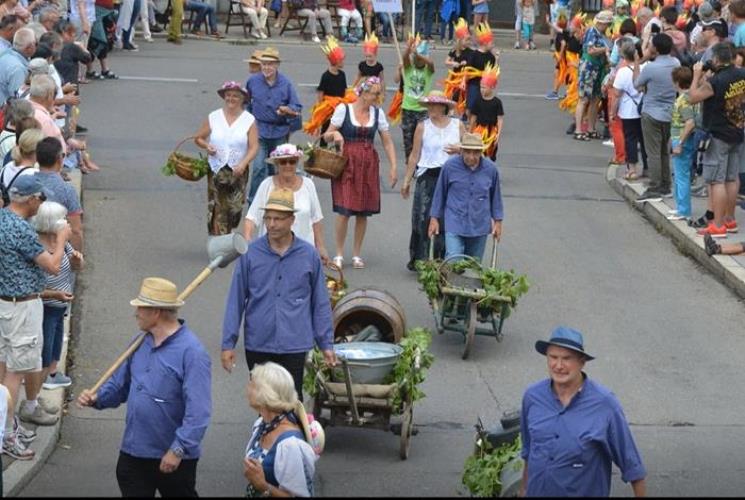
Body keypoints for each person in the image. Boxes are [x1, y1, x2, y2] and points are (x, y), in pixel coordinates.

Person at [77, 277, 212, 497]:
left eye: (140, 307)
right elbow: (119, 387)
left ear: (156, 312)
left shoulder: (193, 353)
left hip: (173, 457)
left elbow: (199, 412)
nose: (136, 312)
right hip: (134, 452)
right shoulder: (138, 342)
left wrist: (178, 449)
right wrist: (97, 398)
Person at [221, 187, 337, 399]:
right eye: (268, 218)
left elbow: (320, 302)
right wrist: (228, 344)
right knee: (263, 400)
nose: (271, 224)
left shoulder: (308, 255)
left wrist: (325, 343)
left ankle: (291, 433)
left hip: (295, 343)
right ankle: (266, 433)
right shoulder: (251, 254)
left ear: (292, 220)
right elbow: (235, 301)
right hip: (259, 342)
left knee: (292, 401)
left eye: (278, 219)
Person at [519, 326, 647, 497]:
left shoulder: (605, 404)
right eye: (553, 357)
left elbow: (632, 465)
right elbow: (529, 452)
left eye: (567, 358)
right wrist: (524, 490)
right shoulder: (533, 397)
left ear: (581, 362)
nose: (558, 365)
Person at [0, 175, 72, 460]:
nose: (41, 204)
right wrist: (63, 237)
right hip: (22, 308)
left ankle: (8, 426)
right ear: (30, 200)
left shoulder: (3, 219)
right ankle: (6, 434)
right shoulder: (21, 229)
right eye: (40, 199)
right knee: (16, 373)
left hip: (4, 304)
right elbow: (53, 267)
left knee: (5, 368)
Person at [322, 76, 398, 270]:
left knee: (363, 211)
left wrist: (394, 166)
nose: (378, 97)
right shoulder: (344, 110)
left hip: (368, 164)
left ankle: (356, 253)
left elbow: (387, 141)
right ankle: (339, 253)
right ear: (363, 93)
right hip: (346, 163)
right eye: (375, 93)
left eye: (378, 93)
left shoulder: (377, 114)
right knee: (345, 209)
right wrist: (336, 134)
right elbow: (326, 135)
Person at [688, 42, 745, 237]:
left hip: (718, 134)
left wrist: (696, 76)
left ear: (716, 59)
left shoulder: (716, 82)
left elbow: (692, 97)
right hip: (737, 132)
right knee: (731, 177)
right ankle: (729, 220)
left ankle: (718, 225)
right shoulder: (741, 75)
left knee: (716, 181)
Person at [401, 90, 463, 270]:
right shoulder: (423, 126)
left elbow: (471, 148)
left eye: (435, 104)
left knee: (447, 219)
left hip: (452, 177)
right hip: (428, 177)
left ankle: (444, 259)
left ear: (443, 106)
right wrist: (407, 180)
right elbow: (414, 155)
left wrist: (459, 149)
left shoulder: (457, 125)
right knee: (423, 219)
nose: (431, 108)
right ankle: (422, 260)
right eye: (429, 105)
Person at [243, 362, 319, 497]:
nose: (247, 388)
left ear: (265, 394)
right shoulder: (262, 424)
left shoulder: (290, 445)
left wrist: (263, 486)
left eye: (252, 385)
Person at [194, 81, 259, 236]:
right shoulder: (214, 117)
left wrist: (243, 164)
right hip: (217, 167)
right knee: (218, 205)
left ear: (242, 99)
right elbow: (198, 138)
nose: (231, 99)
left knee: (234, 209)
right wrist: (206, 146)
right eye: (228, 95)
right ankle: (219, 240)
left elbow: (254, 147)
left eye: (235, 96)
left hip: (238, 170)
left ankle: (227, 231)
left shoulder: (248, 120)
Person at [244, 143, 329, 263]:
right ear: (277, 164)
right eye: (283, 162)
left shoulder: (308, 184)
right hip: (271, 253)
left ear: (297, 163)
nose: (288, 165)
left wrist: (320, 247)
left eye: (292, 161)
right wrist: (248, 244)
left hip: (303, 253)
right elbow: (251, 218)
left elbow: (316, 219)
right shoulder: (267, 185)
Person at [428, 132, 503, 260]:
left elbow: (496, 198)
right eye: (467, 152)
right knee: (453, 259)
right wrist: (434, 218)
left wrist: (498, 221)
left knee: (473, 265)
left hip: (479, 225)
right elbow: (440, 193)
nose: (471, 157)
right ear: (461, 150)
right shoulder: (450, 167)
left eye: (475, 153)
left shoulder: (490, 170)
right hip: (455, 222)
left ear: (481, 152)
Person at [32, 201, 83, 390]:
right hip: (47, 305)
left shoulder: (63, 244)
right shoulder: (38, 247)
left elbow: (76, 267)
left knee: (56, 339)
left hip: (61, 305)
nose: (66, 223)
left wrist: (77, 260)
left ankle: (52, 373)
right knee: (45, 342)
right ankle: (42, 376)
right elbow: (37, 284)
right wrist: (55, 294)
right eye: (62, 219)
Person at [245, 48, 303, 206]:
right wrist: (249, 120)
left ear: (277, 65)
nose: (266, 68)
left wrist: (287, 110)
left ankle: (276, 200)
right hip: (259, 131)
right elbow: (246, 102)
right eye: (264, 64)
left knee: (275, 170)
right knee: (258, 167)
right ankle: (253, 202)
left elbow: (297, 106)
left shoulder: (286, 84)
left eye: (270, 64)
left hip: (279, 132)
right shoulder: (253, 81)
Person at [633, 33, 680, 201]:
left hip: (652, 111)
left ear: (656, 48)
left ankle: (655, 186)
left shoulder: (651, 68)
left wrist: (638, 62)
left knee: (652, 151)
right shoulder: (676, 63)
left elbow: (636, 84)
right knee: (664, 151)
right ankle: (665, 184)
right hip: (669, 112)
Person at [34, 137, 84, 251]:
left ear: (37, 158)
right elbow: (76, 230)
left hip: (29, 247)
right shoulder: (67, 190)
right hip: (55, 249)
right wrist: (77, 257)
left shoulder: (26, 184)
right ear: (60, 159)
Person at [611, 39, 647, 181]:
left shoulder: (622, 72)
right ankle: (647, 168)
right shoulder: (645, 68)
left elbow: (616, 95)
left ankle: (631, 169)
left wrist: (613, 112)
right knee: (644, 140)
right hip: (644, 108)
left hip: (628, 110)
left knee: (630, 139)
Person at [573, 10, 612, 141]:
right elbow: (590, 50)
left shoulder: (601, 34)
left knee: (595, 99)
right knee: (584, 99)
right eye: (607, 23)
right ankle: (578, 130)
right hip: (588, 68)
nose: (608, 26)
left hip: (598, 68)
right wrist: (605, 49)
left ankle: (591, 128)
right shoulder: (591, 31)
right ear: (602, 22)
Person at [668, 66, 697, 221]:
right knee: (679, 174)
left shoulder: (682, 101)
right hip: (682, 139)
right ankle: (680, 207)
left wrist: (679, 142)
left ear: (677, 82)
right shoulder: (690, 97)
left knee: (681, 175)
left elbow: (690, 122)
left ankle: (684, 210)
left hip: (681, 139)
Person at [401, 35, 434, 163]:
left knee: (422, 139)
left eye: (420, 58)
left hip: (422, 110)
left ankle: (421, 162)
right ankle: (410, 163)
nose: (417, 60)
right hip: (408, 109)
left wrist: (418, 54)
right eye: (415, 58)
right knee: (408, 139)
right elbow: (404, 58)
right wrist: (409, 48)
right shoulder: (409, 68)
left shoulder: (428, 70)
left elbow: (431, 63)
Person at [468, 63, 503, 160]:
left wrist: (498, 135)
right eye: (480, 87)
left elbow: (500, 119)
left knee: (491, 153)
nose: (481, 90)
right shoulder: (478, 101)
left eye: (484, 87)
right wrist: (470, 133)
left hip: (491, 132)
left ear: (492, 87)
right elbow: (473, 118)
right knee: (479, 152)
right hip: (479, 131)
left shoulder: (497, 102)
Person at [465, 23, 497, 118]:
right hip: (474, 84)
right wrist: (465, 80)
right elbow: (467, 70)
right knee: (470, 106)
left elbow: (493, 72)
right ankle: (469, 121)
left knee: (482, 106)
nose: (493, 44)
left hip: (485, 86)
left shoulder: (491, 57)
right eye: (491, 42)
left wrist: (497, 59)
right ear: (485, 43)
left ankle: (478, 123)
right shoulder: (474, 55)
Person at [0, 27, 36, 105]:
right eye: (36, 44)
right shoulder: (18, 69)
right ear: (29, 48)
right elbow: (17, 101)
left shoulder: (5, 55)